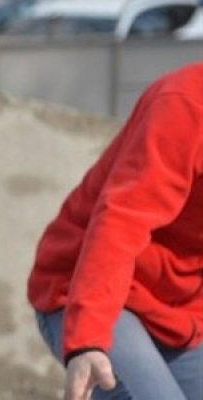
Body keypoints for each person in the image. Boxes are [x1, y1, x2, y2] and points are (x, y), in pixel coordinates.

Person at [27, 62, 203, 400]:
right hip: (90, 291)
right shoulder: (184, 104)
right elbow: (120, 223)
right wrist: (87, 341)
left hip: (178, 310)